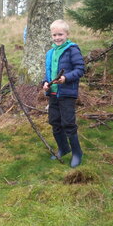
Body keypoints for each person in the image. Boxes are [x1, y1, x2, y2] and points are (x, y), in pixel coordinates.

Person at [42, 19, 85, 168]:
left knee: (68, 123)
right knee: (55, 122)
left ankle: (77, 152)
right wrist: (45, 83)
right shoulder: (50, 53)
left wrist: (65, 78)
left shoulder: (72, 49)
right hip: (53, 94)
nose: (57, 38)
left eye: (60, 34)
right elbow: (47, 72)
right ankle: (63, 148)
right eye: (54, 35)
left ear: (67, 34)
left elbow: (80, 70)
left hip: (67, 93)